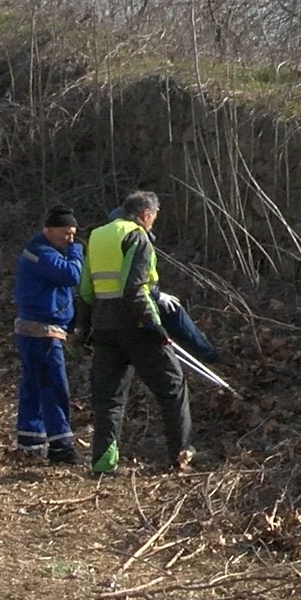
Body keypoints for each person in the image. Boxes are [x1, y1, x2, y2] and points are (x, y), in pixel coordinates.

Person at [77, 190, 191, 475]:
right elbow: (134, 289)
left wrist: (84, 330)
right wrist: (155, 326)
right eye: (155, 216)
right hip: (136, 327)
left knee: (108, 398)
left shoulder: (97, 236)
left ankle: (103, 463)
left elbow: (86, 290)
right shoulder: (137, 237)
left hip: (104, 328)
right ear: (145, 214)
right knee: (173, 387)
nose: (154, 221)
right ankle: (181, 455)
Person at [12, 206, 85, 463]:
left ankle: (30, 443)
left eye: (73, 234)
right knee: (53, 388)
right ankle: (61, 446)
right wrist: (77, 252)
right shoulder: (41, 253)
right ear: (48, 230)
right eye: (66, 233)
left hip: (36, 332)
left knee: (33, 387)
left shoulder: (43, 252)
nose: (71, 239)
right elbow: (71, 275)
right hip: (41, 333)